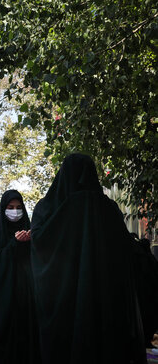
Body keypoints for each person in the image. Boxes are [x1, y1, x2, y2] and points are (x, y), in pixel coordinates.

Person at [31, 154, 146, 364]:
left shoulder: (49, 208)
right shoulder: (109, 209)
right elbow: (126, 251)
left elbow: (39, 245)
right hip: (106, 304)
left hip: (64, 307)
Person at [0, 190, 40, 364]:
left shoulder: (28, 228)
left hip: (26, 302)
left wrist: (29, 242)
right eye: (10, 207)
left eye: (18, 207)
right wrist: (14, 245)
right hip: (3, 305)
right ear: (3, 208)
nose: (15, 211)